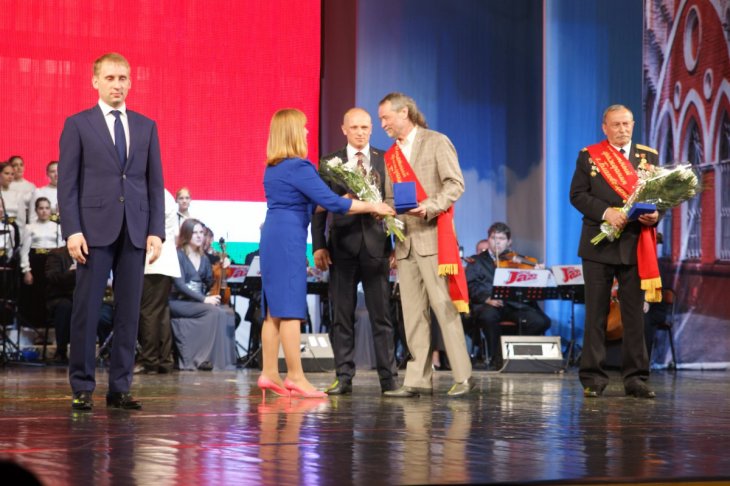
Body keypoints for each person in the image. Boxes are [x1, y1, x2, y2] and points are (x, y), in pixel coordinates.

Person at [258, 108, 395, 399]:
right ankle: (296, 377)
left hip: (272, 235)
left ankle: (269, 373)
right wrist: (373, 206)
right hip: (289, 239)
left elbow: (308, 203)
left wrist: (337, 199)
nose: (307, 131)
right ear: (293, 133)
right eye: (303, 128)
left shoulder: (274, 166)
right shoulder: (299, 166)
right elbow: (334, 205)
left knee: (273, 312)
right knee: (290, 310)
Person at [58, 52, 164, 411]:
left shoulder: (146, 126)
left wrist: (156, 230)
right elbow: (67, 185)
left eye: (122, 78)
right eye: (109, 78)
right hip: (92, 231)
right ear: (95, 81)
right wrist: (72, 230)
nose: (116, 84)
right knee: (86, 310)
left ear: (130, 82)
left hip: (135, 229)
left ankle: (120, 387)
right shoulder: (78, 124)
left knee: (129, 312)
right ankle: (82, 385)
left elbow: (154, 183)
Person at [378, 92, 474, 398]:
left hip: (433, 239)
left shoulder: (436, 141)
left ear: (404, 112)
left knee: (444, 308)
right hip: (405, 244)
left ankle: (463, 376)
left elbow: (455, 183)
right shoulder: (391, 156)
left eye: (386, 118)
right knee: (412, 314)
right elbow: (392, 198)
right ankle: (417, 379)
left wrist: (430, 206)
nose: (383, 125)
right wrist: (387, 218)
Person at [569, 104, 660, 399]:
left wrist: (656, 215)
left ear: (633, 125)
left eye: (626, 124)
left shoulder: (649, 157)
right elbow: (577, 195)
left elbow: (659, 198)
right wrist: (606, 212)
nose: (622, 129)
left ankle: (636, 379)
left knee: (634, 315)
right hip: (599, 244)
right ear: (604, 127)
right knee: (596, 313)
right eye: (616, 124)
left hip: (635, 244)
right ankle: (593, 378)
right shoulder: (589, 156)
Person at [311, 107, 398, 395]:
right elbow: (319, 208)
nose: (360, 132)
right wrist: (319, 245)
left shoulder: (386, 159)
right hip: (342, 247)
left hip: (377, 248)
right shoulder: (329, 162)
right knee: (342, 316)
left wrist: (397, 245)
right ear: (344, 129)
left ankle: (389, 379)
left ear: (371, 129)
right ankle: (344, 376)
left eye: (365, 127)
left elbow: (395, 203)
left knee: (381, 317)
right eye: (355, 127)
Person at [465, 222, 551, 369]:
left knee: (541, 321)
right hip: (489, 305)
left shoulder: (516, 260)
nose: (497, 242)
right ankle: (496, 358)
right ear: (488, 239)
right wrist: (486, 298)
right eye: (493, 238)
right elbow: (470, 285)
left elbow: (528, 285)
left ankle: (515, 353)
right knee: (488, 317)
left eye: (501, 238)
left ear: (509, 242)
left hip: (513, 304)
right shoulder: (476, 261)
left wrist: (537, 273)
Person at [169, 218, 236, 371]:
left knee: (225, 313)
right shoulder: (178, 255)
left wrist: (222, 267)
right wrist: (204, 299)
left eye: (201, 233)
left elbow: (209, 282)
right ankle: (200, 358)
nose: (200, 236)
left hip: (195, 302)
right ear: (186, 234)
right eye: (195, 233)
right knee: (212, 311)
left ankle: (214, 359)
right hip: (178, 302)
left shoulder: (204, 258)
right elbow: (179, 285)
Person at [135, 188, 180, 374]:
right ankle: (164, 360)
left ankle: (150, 360)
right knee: (160, 312)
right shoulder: (165, 194)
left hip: (154, 260)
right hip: (164, 260)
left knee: (149, 312)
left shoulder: (154, 194)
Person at [19, 197, 64, 330]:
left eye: (47, 208)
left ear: (50, 210)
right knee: (37, 295)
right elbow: (24, 250)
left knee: (53, 294)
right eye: (41, 208)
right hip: (37, 262)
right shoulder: (30, 227)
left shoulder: (57, 227)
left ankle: (52, 327)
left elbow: (62, 248)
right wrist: (26, 270)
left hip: (53, 262)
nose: (44, 211)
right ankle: (37, 328)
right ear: (36, 210)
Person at [1, 161, 26, 239]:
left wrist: (20, 238)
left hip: (13, 231)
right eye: (7, 173)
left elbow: (21, 220)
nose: (10, 177)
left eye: (12, 174)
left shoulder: (18, 195)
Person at [8, 155, 35, 222]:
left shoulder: (31, 186)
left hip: (27, 220)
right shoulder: (5, 186)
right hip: (10, 220)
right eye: (15, 165)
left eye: (21, 165)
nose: (19, 167)